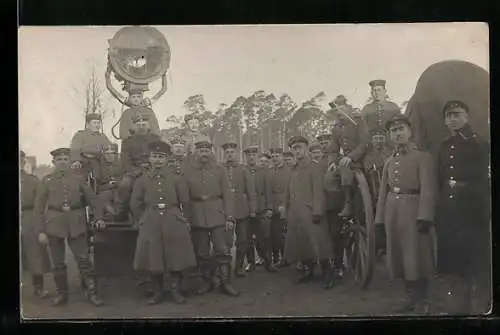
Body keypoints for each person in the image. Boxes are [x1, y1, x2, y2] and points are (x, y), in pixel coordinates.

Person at [374, 115, 436, 314]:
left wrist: (425, 215)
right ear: (390, 136)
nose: (398, 133)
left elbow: (428, 187)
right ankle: (411, 298)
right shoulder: (390, 161)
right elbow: (383, 192)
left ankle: (424, 300)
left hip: (414, 210)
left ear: (410, 132)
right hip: (393, 212)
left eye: (401, 129)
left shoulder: (422, 157)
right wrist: (379, 220)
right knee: (400, 256)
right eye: (394, 131)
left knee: (417, 255)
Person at [435, 100, 490, 313]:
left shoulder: (478, 143)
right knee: (454, 263)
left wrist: (465, 190)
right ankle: (458, 304)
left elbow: (483, 180)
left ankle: (479, 303)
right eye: (448, 116)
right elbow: (440, 179)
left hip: (471, 210)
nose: (452, 119)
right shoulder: (444, 146)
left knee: (474, 261)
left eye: (457, 114)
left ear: (467, 117)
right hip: (450, 211)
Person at [34, 148, 106, 307]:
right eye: (59, 160)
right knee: (58, 262)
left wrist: (99, 217)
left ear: (69, 161)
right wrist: (40, 231)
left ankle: (93, 293)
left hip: (76, 222)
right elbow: (38, 208)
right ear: (54, 162)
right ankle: (62, 294)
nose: (62, 162)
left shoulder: (79, 179)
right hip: (54, 223)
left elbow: (94, 200)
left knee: (84, 260)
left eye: (65, 159)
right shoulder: (46, 180)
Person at [130, 141, 197, 305]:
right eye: (155, 157)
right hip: (151, 219)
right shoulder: (142, 180)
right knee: (154, 257)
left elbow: (186, 201)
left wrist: (184, 219)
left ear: (167, 159)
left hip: (173, 219)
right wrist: (142, 219)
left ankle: (175, 290)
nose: (158, 160)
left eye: (161, 157)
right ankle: (157, 292)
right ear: (150, 158)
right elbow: (134, 204)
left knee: (176, 257)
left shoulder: (176, 178)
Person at [181, 138, 239, 297]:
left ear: (211, 152)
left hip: (218, 213)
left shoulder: (220, 170)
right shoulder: (188, 171)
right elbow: (185, 198)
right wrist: (187, 218)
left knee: (222, 249)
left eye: (206, 151)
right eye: (200, 151)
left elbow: (227, 194)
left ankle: (225, 282)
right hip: (197, 214)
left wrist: (229, 217)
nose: (204, 154)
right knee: (202, 252)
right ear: (196, 153)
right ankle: (207, 281)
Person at [284, 136, 335, 289]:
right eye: (294, 148)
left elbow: (319, 191)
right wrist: (287, 212)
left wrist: (318, 211)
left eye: (299, 147)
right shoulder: (293, 169)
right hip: (296, 213)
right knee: (302, 243)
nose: (297, 151)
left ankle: (328, 273)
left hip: (311, 212)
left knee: (319, 244)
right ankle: (309, 271)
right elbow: (288, 193)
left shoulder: (315, 167)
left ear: (306, 148)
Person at [221, 141, 257, 277]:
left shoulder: (243, 169)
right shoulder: (221, 169)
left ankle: (239, 266)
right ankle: (226, 268)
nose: (229, 155)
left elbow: (251, 191)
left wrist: (252, 209)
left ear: (235, 153)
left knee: (242, 240)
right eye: (227, 152)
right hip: (226, 210)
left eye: (232, 152)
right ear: (224, 154)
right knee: (226, 240)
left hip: (242, 209)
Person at [329, 97, 367, 217]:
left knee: (345, 168)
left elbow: (364, 143)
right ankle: (339, 203)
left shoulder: (358, 122)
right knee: (328, 179)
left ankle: (349, 203)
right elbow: (333, 149)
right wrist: (333, 162)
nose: (339, 112)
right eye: (336, 111)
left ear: (347, 108)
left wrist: (351, 157)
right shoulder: (336, 129)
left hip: (360, 158)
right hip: (343, 160)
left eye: (341, 109)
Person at [116, 114, 161, 215]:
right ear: (133, 126)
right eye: (138, 124)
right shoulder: (127, 141)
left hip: (153, 168)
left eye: (144, 124)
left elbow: (160, 155)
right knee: (125, 185)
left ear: (149, 125)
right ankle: (121, 211)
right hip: (134, 170)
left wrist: (152, 167)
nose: (141, 127)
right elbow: (125, 160)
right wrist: (134, 170)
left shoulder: (156, 139)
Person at [20, 150, 51, 299]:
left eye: (20, 161)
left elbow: (40, 204)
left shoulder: (33, 181)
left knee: (34, 253)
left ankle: (39, 287)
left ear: (22, 163)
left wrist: (40, 226)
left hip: (28, 216)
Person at [243, 145, 278, 273]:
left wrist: (269, 208)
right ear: (245, 157)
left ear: (256, 157)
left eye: (253, 155)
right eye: (248, 155)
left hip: (261, 209)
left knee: (264, 238)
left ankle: (268, 262)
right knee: (247, 239)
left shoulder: (263, 171)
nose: (251, 157)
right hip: (246, 210)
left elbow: (268, 191)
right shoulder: (243, 171)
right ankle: (251, 262)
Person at [317, 132, 346, 279]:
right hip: (322, 206)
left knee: (336, 236)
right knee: (324, 236)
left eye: (326, 142)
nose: (324, 145)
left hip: (336, 205)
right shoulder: (318, 161)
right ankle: (328, 266)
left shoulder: (340, 160)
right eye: (321, 143)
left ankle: (339, 265)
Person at [360, 80, 401, 173]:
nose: (376, 93)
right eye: (374, 91)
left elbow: (398, 127)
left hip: (390, 145)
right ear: (371, 93)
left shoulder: (393, 107)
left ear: (385, 91)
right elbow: (363, 129)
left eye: (379, 90)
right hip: (372, 147)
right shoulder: (366, 109)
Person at [70, 113, 112, 180]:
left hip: (99, 160)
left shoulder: (102, 136)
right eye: (94, 123)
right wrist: (76, 160)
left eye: (98, 123)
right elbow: (75, 148)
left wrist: (110, 154)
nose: (97, 125)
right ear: (87, 125)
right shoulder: (80, 135)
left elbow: (109, 148)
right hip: (84, 161)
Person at [268, 147, 289, 267]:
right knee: (273, 234)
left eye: (277, 156)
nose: (275, 158)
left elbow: (288, 190)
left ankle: (285, 258)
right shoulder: (270, 170)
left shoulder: (287, 170)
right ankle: (276, 258)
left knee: (282, 234)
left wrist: (284, 205)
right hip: (272, 206)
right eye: (273, 156)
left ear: (282, 156)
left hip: (282, 205)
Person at [96, 143, 123, 218]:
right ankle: (115, 215)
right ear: (103, 155)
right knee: (102, 198)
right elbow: (98, 187)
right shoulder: (99, 168)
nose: (109, 155)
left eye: (112, 153)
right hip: (106, 190)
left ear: (116, 154)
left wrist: (117, 183)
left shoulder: (121, 166)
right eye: (107, 153)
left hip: (120, 189)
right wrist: (109, 185)